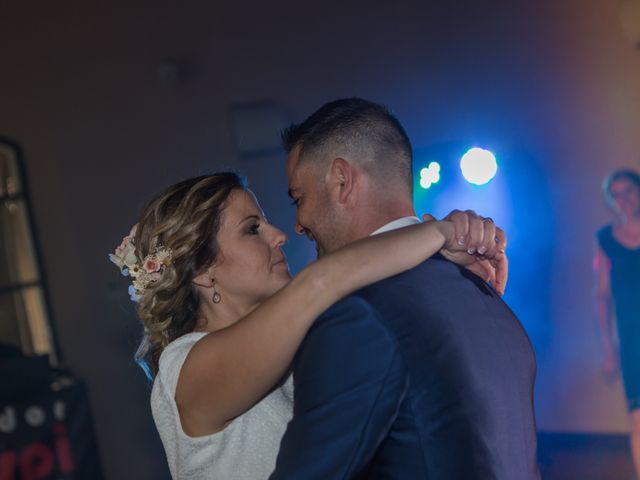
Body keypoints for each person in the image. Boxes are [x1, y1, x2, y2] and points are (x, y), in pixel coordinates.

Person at [109, 172, 507, 479]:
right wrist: (439, 233)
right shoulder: (184, 368)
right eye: (253, 229)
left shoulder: (297, 349)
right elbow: (323, 282)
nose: (280, 235)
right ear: (202, 269)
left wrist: (454, 284)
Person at [270, 98, 539, 479]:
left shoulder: (358, 313)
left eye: (300, 198)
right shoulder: (486, 297)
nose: (298, 223)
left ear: (341, 180)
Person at [595, 168, 640, 477]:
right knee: (638, 419)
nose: (624, 199)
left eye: (630, 191)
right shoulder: (606, 239)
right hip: (632, 339)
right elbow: (602, 296)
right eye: (617, 194)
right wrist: (609, 350)